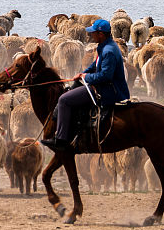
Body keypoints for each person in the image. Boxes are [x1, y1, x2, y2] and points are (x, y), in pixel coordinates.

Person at [42, 18, 130, 154]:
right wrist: (82, 73)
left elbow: (105, 76)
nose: (90, 35)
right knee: (73, 88)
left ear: (100, 34)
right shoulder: (105, 46)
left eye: (93, 32)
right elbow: (95, 65)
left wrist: (86, 77)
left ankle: (61, 140)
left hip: (108, 90)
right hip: (104, 85)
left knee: (63, 100)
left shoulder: (109, 51)